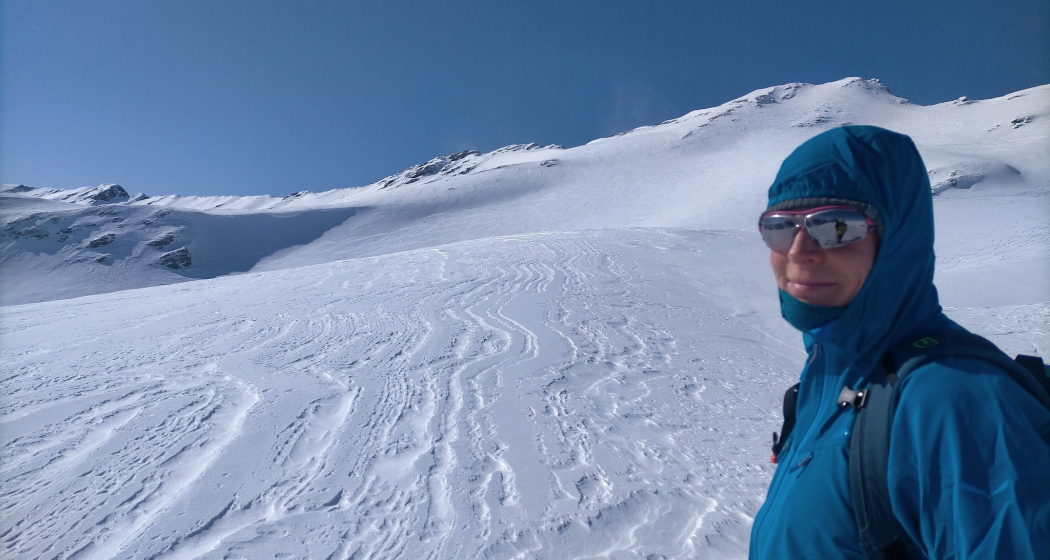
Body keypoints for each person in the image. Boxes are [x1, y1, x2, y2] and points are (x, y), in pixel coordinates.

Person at [747, 125, 1050, 559]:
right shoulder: (828, 385)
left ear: (897, 239)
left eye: (835, 226)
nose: (798, 249)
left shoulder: (951, 402)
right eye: (779, 227)